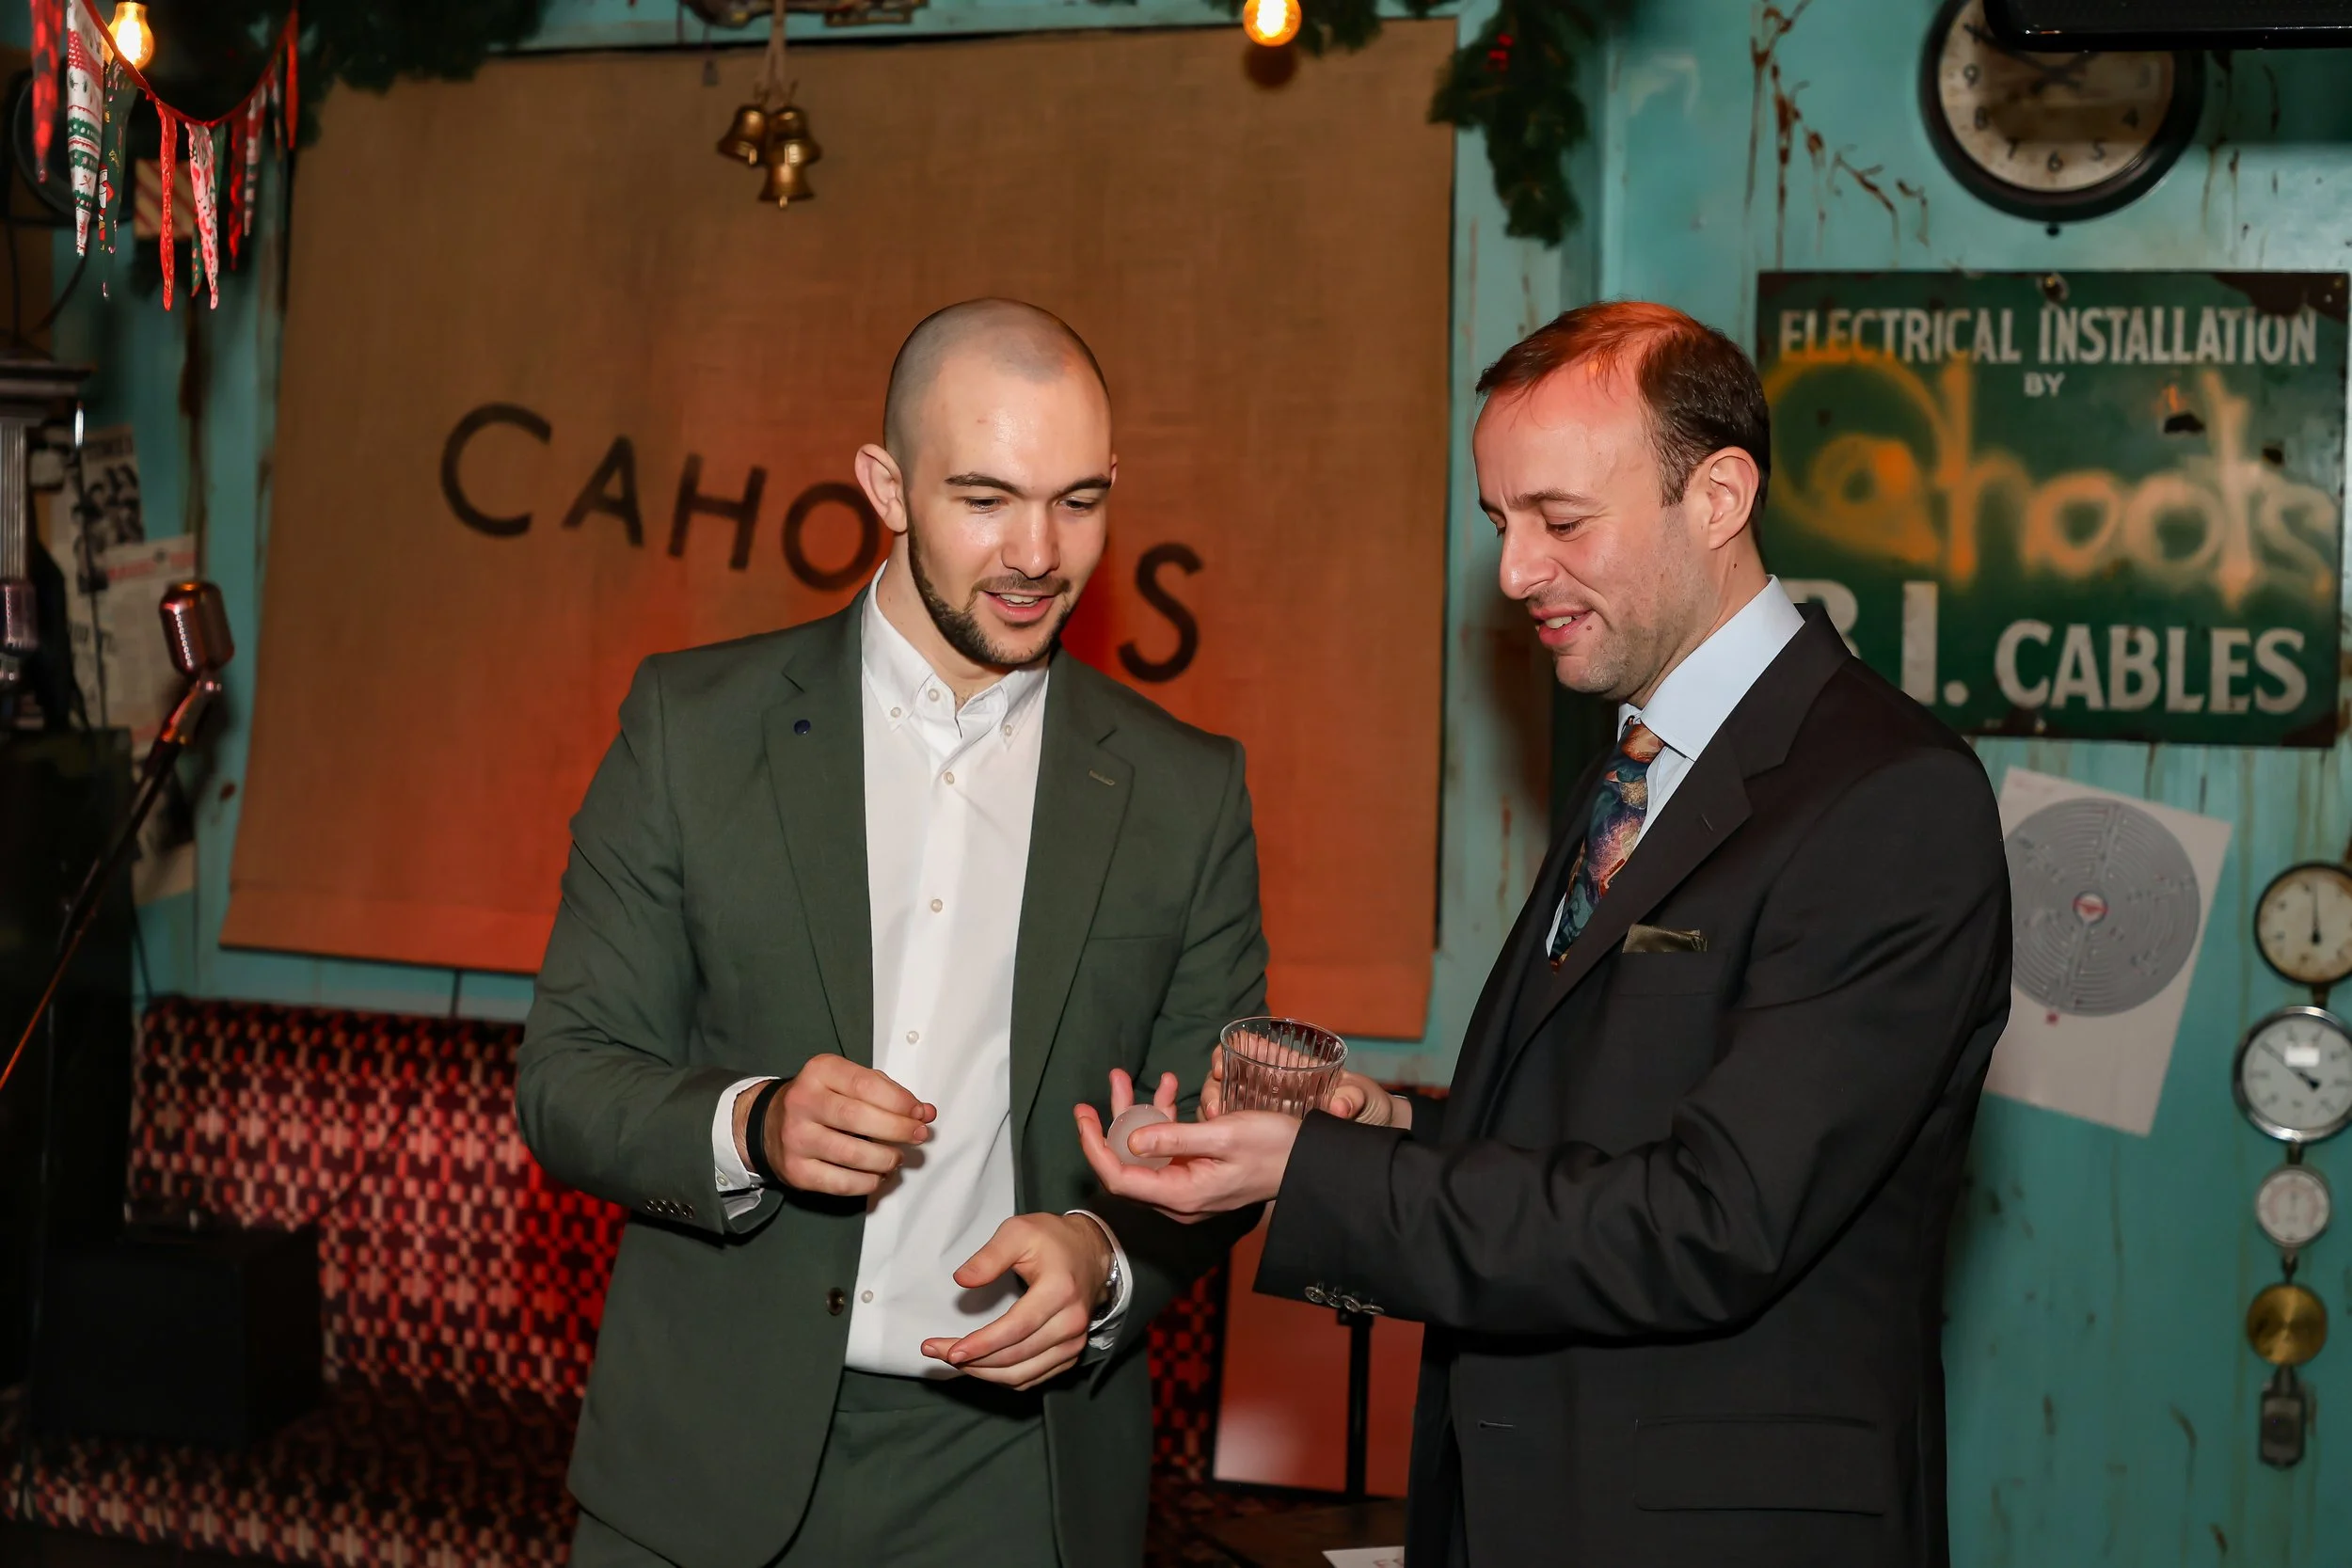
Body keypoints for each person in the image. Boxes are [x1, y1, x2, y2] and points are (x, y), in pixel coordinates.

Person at [1077, 301, 2012, 1568]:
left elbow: (1713, 1217)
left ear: (1721, 493)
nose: (1515, 572)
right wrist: (1391, 1126)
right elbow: (1601, 1124)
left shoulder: (1888, 796)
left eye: (1560, 521)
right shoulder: (1641, 758)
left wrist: (1309, 1178)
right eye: (1501, 523)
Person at [518, 298, 1267, 1568]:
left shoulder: (1185, 791)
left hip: (1014, 1483)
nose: (1040, 551)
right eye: (986, 498)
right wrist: (756, 1123)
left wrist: (1102, 1252)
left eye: (1078, 501)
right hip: (700, 1461)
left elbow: (1212, 1148)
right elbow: (568, 1078)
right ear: (887, 485)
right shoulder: (692, 728)